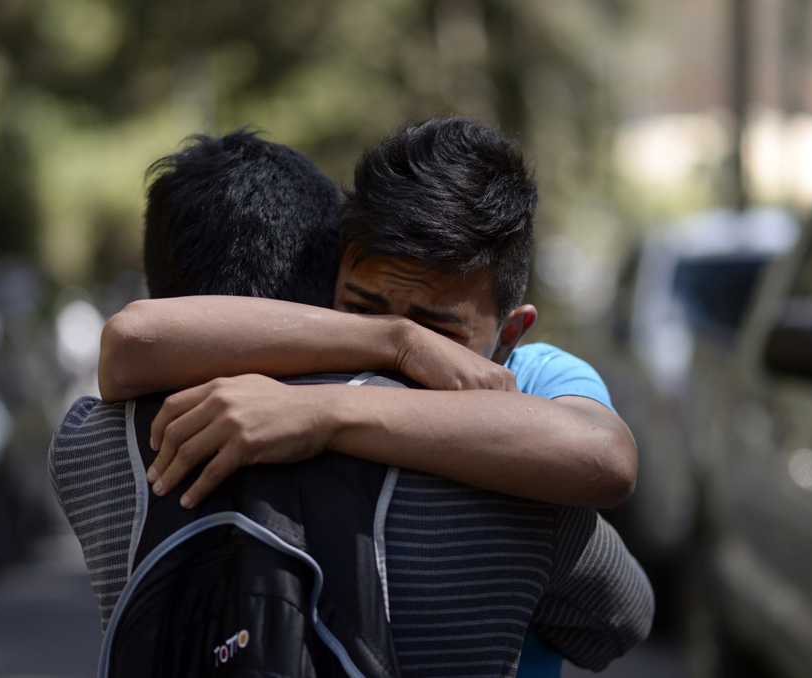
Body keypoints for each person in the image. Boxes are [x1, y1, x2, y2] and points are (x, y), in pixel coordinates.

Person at [88, 119, 653, 676]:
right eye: (360, 309)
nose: (385, 365)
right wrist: (397, 342)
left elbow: (606, 458)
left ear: (510, 336)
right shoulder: (334, 355)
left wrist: (324, 412)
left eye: (441, 336)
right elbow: (133, 340)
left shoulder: (537, 383)